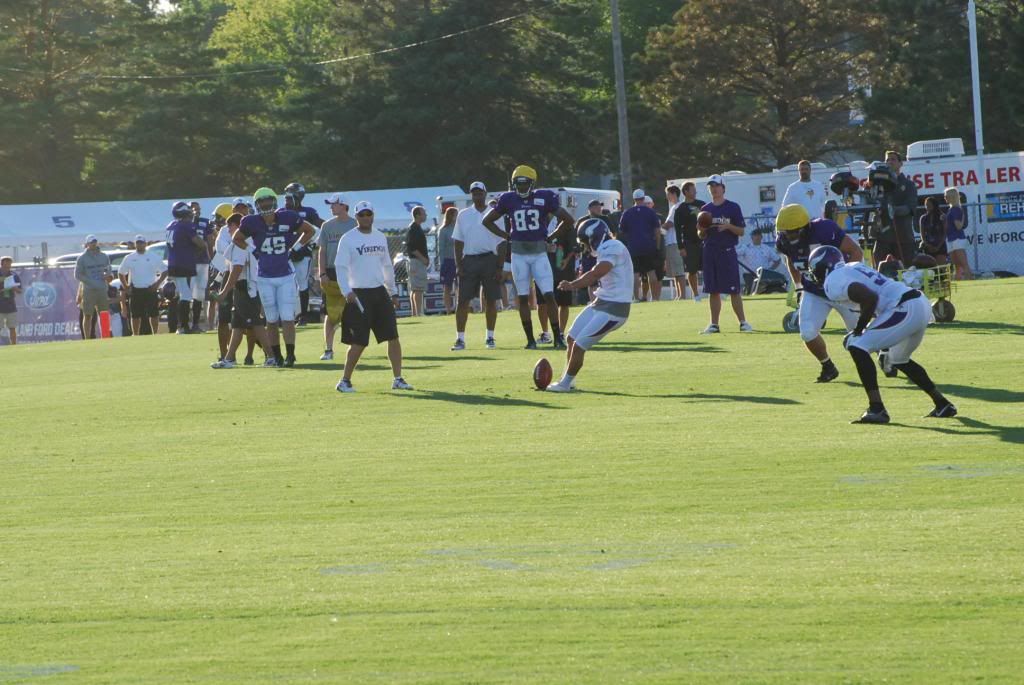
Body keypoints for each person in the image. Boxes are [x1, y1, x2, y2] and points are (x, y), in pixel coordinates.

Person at [809, 246, 957, 423]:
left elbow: (869, 298)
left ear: (821, 267)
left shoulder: (832, 281)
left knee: (857, 345)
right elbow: (873, 298)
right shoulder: (854, 266)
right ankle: (942, 404)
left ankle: (876, 408)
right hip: (918, 303)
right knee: (898, 358)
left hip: (904, 307)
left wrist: (858, 330)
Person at [482, 164, 575, 349]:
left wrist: (551, 236)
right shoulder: (508, 199)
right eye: (518, 183)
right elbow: (487, 220)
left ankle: (557, 337)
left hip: (539, 253)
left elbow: (569, 220)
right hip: (518, 255)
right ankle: (530, 340)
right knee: (523, 298)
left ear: (532, 183)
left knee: (549, 295)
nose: (522, 187)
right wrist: (506, 235)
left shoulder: (544, 197)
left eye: (525, 184)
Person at [774, 203, 864, 381]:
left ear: (804, 227)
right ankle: (828, 367)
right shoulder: (783, 241)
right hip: (814, 291)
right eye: (785, 232)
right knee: (807, 331)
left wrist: (845, 280)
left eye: (792, 231)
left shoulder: (824, 229)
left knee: (860, 336)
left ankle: (886, 354)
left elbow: (856, 251)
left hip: (841, 291)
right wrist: (799, 286)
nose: (788, 236)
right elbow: (791, 261)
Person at [333, 201, 413, 392]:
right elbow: (340, 267)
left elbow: (387, 265)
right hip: (358, 294)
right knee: (359, 342)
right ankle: (344, 381)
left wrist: (392, 291)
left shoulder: (379, 237)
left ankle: (398, 378)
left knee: (393, 336)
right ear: (356, 217)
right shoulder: (348, 239)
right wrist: (347, 291)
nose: (366, 218)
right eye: (362, 215)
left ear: (373, 215)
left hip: (379, 292)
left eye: (369, 214)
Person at [547, 218, 634, 392]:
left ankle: (564, 384)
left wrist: (572, 285)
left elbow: (597, 273)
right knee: (572, 337)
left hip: (615, 309)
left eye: (586, 242)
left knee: (580, 344)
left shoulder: (613, 247)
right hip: (600, 302)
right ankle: (568, 380)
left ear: (595, 237)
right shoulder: (606, 248)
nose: (586, 247)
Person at [234, 187, 316, 367]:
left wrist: (294, 248)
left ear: (274, 201)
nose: (266, 205)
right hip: (264, 277)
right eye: (262, 202)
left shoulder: (287, 216)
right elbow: (237, 238)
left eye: (268, 201)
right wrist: (253, 251)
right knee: (271, 318)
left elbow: (310, 231)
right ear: (257, 205)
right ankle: (277, 356)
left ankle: (291, 355)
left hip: (286, 275)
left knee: (287, 316)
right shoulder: (251, 222)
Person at [211, 218, 274, 368]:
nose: (228, 229)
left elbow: (236, 269)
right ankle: (229, 358)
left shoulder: (240, 244)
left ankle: (272, 356)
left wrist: (224, 292)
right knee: (237, 324)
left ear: (237, 226)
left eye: (230, 225)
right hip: (245, 287)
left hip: (246, 287)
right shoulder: (249, 242)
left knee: (256, 324)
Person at [452, 181, 505, 350]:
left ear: (485, 193)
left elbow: (502, 241)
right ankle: (460, 339)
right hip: (469, 260)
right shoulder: (463, 214)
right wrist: (459, 264)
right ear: (471, 195)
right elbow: (458, 241)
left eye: (479, 193)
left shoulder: (495, 214)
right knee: (463, 301)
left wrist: (500, 266)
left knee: (490, 300)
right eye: (474, 193)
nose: (477, 196)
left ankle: (490, 337)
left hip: (490, 259)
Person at [699, 175, 752, 333]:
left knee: (733, 289)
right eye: (711, 186)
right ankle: (714, 324)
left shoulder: (732, 207)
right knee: (713, 290)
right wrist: (702, 229)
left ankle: (743, 322)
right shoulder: (705, 209)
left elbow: (741, 231)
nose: (714, 189)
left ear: (723, 188)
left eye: (717, 186)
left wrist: (728, 226)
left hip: (727, 251)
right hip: (710, 251)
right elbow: (700, 235)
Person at [317, 194, 357, 360]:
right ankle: (328, 349)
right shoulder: (327, 226)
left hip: (351, 272)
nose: (331, 207)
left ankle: (354, 347)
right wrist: (322, 273)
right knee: (330, 313)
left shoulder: (355, 224)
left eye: (334, 204)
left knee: (352, 311)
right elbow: (322, 251)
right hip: (331, 272)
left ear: (343, 205)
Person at [283, 182, 323, 324]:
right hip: (285, 254)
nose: (286, 201)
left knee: (302, 283)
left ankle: (303, 316)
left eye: (289, 198)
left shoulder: (309, 212)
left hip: (303, 253)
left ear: (298, 197)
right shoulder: (281, 212)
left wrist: (312, 244)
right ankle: (289, 315)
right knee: (287, 285)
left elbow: (322, 228)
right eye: (286, 198)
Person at [165, 202, 208, 335]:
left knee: (178, 294)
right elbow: (200, 243)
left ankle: (179, 326)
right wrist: (202, 246)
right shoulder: (185, 225)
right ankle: (183, 327)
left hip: (173, 263)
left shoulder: (171, 225)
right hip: (183, 263)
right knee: (186, 295)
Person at [873, 150, 918, 264]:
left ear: (900, 163)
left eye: (893, 159)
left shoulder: (908, 184)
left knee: (906, 270)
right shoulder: (879, 184)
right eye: (887, 160)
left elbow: (910, 207)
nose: (890, 162)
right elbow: (874, 203)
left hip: (903, 236)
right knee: (879, 268)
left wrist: (893, 210)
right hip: (883, 237)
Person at [618, 189, 662, 302]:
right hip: (649, 246)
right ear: (643, 198)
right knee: (651, 271)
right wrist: (657, 246)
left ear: (634, 199)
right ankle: (655, 298)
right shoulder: (650, 212)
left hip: (633, 247)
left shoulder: (627, 213)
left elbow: (622, 231)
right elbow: (657, 231)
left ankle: (636, 298)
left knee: (635, 273)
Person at [118, 235, 165, 336]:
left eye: (141, 243)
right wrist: (126, 286)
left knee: (154, 314)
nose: (140, 245)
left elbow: (164, 271)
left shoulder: (153, 256)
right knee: (135, 315)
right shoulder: (129, 258)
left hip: (150, 289)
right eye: (138, 243)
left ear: (145, 244)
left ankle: (155, 333)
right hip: (136, 289)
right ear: (135, 244)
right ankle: (135, 334)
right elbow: (121, 273)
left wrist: (157, 284)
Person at [75, 235, 113, 339]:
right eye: (91, 242)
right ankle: (87, 338)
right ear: (87, 244)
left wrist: (108, 276)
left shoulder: (104, 256)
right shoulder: (82, 258)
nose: (94, 244)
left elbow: (108, 269)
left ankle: (105, 337)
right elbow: (77, 275)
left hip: (102, 289)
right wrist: (90, 282)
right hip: (89, 290)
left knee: (104, 314)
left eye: (95, 242)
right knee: (87, 315)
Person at [574, 200, 610, 303]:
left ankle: (605, 300)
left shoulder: (605, 219)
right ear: (590, 209)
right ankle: (593, 301)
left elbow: (613, 233)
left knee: (604, 277)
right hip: (588, 255)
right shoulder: (582, 221)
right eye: (596, 207)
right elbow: (577, 238)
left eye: (599, 207)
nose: (599, 208)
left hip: (604, 253)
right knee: (591, 278)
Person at [674, 182, 705, 301]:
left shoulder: (702, 205)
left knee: (708, 267)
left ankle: (712, 291)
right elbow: (677, 230)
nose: (695, 192)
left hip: (703, 241)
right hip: (689, 243)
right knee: (692, 270)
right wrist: (681, 247)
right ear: (686, 192)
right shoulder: (680, 209)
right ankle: (696, 295)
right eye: (693, 190)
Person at [736, 230, 784, 294]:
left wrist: (771, 269)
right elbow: (736, 254)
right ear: (752, 237)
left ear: (761, 237)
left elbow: (777, 259)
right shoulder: (746, 248)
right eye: (755, 235)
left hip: (764, 275)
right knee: (750, 292)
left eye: (758, 235)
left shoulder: (767, 248)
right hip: (750, 275)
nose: (757, 237)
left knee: (765, 291)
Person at [662, 185, 687, 299]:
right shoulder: (673, 207)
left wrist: (657, 231)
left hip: (674, 242)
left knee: (679, 269)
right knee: (675, 272)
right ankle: (678, 295)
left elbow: (669, 224)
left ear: (673, 193)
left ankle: (683, 295)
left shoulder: (677, 207)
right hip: (670, 242)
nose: (667, 197)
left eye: (668, 194)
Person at [404, 206, 430, 317]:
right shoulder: (414, 228)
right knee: (418, 289)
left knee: (414, 289)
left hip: (416, 262)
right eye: (424, 213)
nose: (426, 215)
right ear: (417, 215)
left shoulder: (416, 227)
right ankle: (419, 313)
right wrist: (423, 258)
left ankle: (415, 313)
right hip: (416, 262)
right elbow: (412, 247)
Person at [944, 187, 973, 280]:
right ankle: (958, 279)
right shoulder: (951, 209)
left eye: (946, 196)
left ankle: (969, 279)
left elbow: (959, 226)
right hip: (950, 238)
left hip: (957, 238)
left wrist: (960, 219)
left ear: (952, 197)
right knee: (956, 263)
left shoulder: (956, 209)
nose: (945, 198)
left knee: (963, 263)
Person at [436, 206, 458, 315]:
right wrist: (442, 263)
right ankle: (448, 310)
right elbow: (441, 248)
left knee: (460, 285)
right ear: (451, 216)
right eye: (456, 215)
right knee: (447, 287)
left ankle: (460, 307)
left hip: (459, 260)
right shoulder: (443, 230)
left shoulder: (460, 228)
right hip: (448, 261)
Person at [918, 196, 948, 264]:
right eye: (926, 205)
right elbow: (922, 235)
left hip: (940, 246)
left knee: (941, 268)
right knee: (930, 268)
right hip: (927, 247)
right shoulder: (923, 218)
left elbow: (945, 234)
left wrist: (938, 246)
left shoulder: (942, 216)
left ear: (934, 205)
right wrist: (927, 245)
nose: (927, 207)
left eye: (929, 205)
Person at [0, 256, 22, 345]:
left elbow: (20, 291)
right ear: (2, 264)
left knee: (12, 328)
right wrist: (3, 290)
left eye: (10, 263)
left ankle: (14, 346)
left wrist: (14, 288)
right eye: (6, 263)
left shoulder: (14, 275)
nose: (8, 265)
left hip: (11, 305)